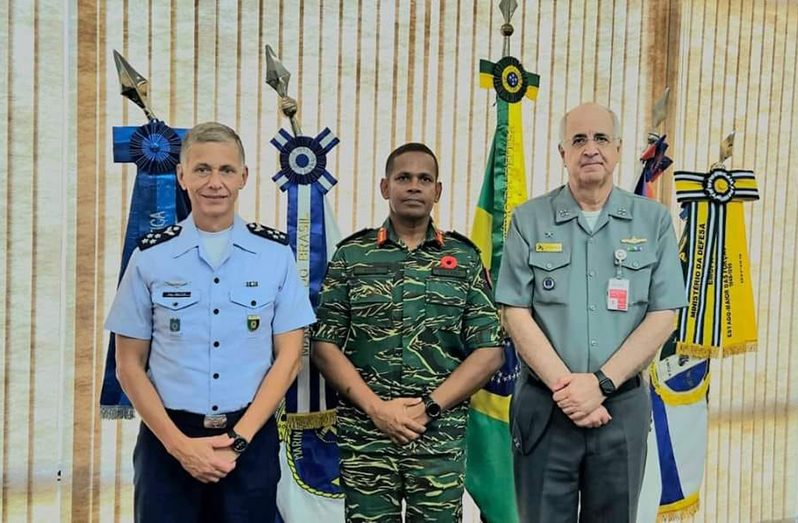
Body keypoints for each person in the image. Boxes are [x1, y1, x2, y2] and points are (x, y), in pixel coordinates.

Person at [105, 122, 315, 522]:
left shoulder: (274, 255)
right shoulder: (150, 257)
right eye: (202, 169)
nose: (214, 182)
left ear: (243, 177)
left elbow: (289, 358)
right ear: (182, 176)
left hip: (248, 441)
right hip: (167, 442)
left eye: (225, 170)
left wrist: (238, 440)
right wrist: (180, 446)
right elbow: (128, 365)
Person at [496, 103, 687, 522]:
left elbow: (663, 315)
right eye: (578, 140)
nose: (590, 149)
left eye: (601, 138)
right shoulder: (528, 220)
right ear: (562, 152)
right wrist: (570, 391)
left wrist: (600, 384)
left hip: (620, 409)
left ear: (618, 149)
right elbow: (515, 313)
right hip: (546, 410)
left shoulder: (653, 221)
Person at [310, 143, 504, 522]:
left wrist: (428, 407)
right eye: (403, 178)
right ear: (385, 187)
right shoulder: (352, 255)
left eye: (424, 179)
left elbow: (490, 351)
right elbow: (324, 346)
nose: (414, 186)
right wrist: (378, 410)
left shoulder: (464, 258)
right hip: (367, 435)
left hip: (438, 434)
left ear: (438, 191)